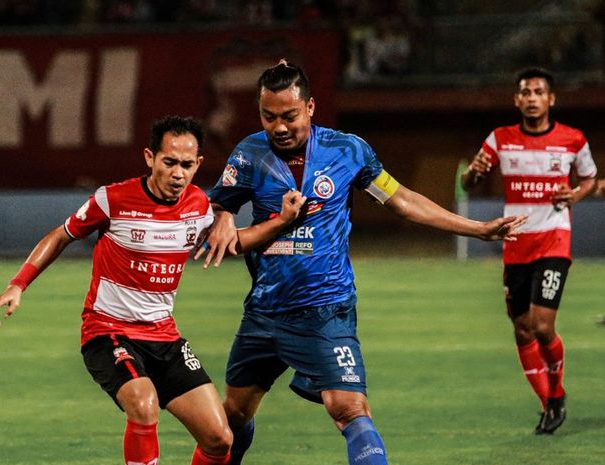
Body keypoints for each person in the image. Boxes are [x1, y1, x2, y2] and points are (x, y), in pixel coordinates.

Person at [196, 60, 526, 465]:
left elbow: (401, 199)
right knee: (231, 419)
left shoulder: (347, 150)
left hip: (326, 310)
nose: (279, 127)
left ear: (311, 107)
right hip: (264, 312)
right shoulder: (248, 154)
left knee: (350, 409)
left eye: (289, 116)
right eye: (269, 117)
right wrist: (223, 214)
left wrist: (476, 229)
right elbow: (215, 204)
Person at [0, 115, 306, 465]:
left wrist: (281, 221)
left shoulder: (198, 205)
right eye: (169, 162)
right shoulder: (113, 200)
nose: (178, 173)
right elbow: (62, 234)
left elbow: (234, 243)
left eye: (187, 165)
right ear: (149, 158)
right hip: (108, 333)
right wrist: (18, 284)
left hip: (164, 339)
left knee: (219, 439)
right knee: (143, 403)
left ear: (198, 163)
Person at [461, 68, 598, 435]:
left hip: (554, 238)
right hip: (516, 242)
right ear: (517, 100)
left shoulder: (572, 139)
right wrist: (474, 172)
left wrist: (576, 195)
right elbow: (467, 181)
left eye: (539, 92)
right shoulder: (500, 139)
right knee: (522, 330)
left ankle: (555, 394)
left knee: (541, 325)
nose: (532, 98)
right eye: (526, 92)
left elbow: (589, 180)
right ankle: (549, 402)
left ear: (551, 99)